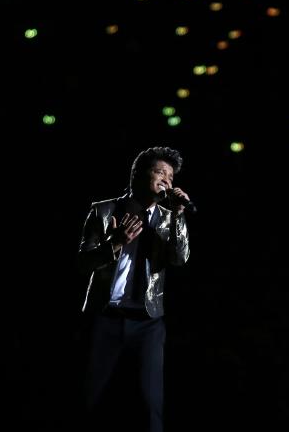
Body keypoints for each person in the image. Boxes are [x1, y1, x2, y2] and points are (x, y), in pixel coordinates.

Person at [77, 146, 192, 431]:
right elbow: (82, 263)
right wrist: (114, 243)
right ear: (137, 175)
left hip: (148, 321)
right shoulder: (103, 210)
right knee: (89, 396)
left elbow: (179, 258)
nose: (166, 179)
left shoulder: (168, 218)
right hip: (105, 316)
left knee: (150, 403)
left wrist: (179, 215)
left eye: (170, 175)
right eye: (159, 172)